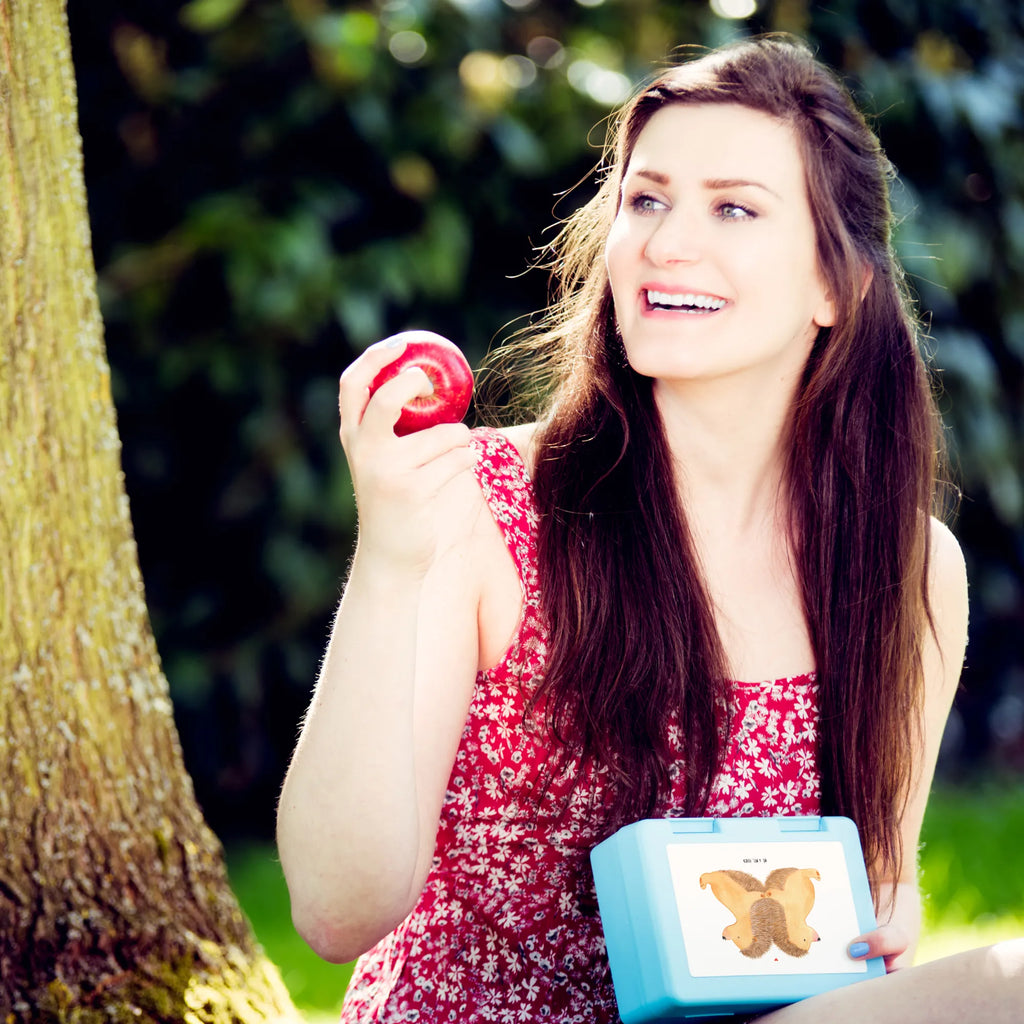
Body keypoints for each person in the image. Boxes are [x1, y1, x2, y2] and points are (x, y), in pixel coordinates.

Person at [276, 35, 1023, 1023]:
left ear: (833, 287)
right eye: (645, 199)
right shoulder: (483, 508)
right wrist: (393, 558)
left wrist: (886, 908)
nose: (667, 242)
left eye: (732, 207)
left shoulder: (909, 570)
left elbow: (875, 901)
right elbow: (335, 913)